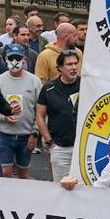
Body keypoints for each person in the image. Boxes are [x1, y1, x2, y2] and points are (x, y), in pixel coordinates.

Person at [0, 43, 42, 179]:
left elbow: (40, 111)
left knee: (23, 173)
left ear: (24, 59)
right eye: (11, 58)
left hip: (26, 135)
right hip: (4, 134)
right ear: (5, 58)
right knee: (5, 172)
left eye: (18, 58)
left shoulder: (35, 82)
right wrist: (4, 116)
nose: (15, 61)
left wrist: (35, 132)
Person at [35, 49, 81, 181]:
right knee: (62, 187)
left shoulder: (85, 85)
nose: (73, 67)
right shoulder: (49, 88)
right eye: (69, 64)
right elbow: (39, 115)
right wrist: (49, 141)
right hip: (60, 147)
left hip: (81, 146)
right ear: (60, 67)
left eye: (75, 63)